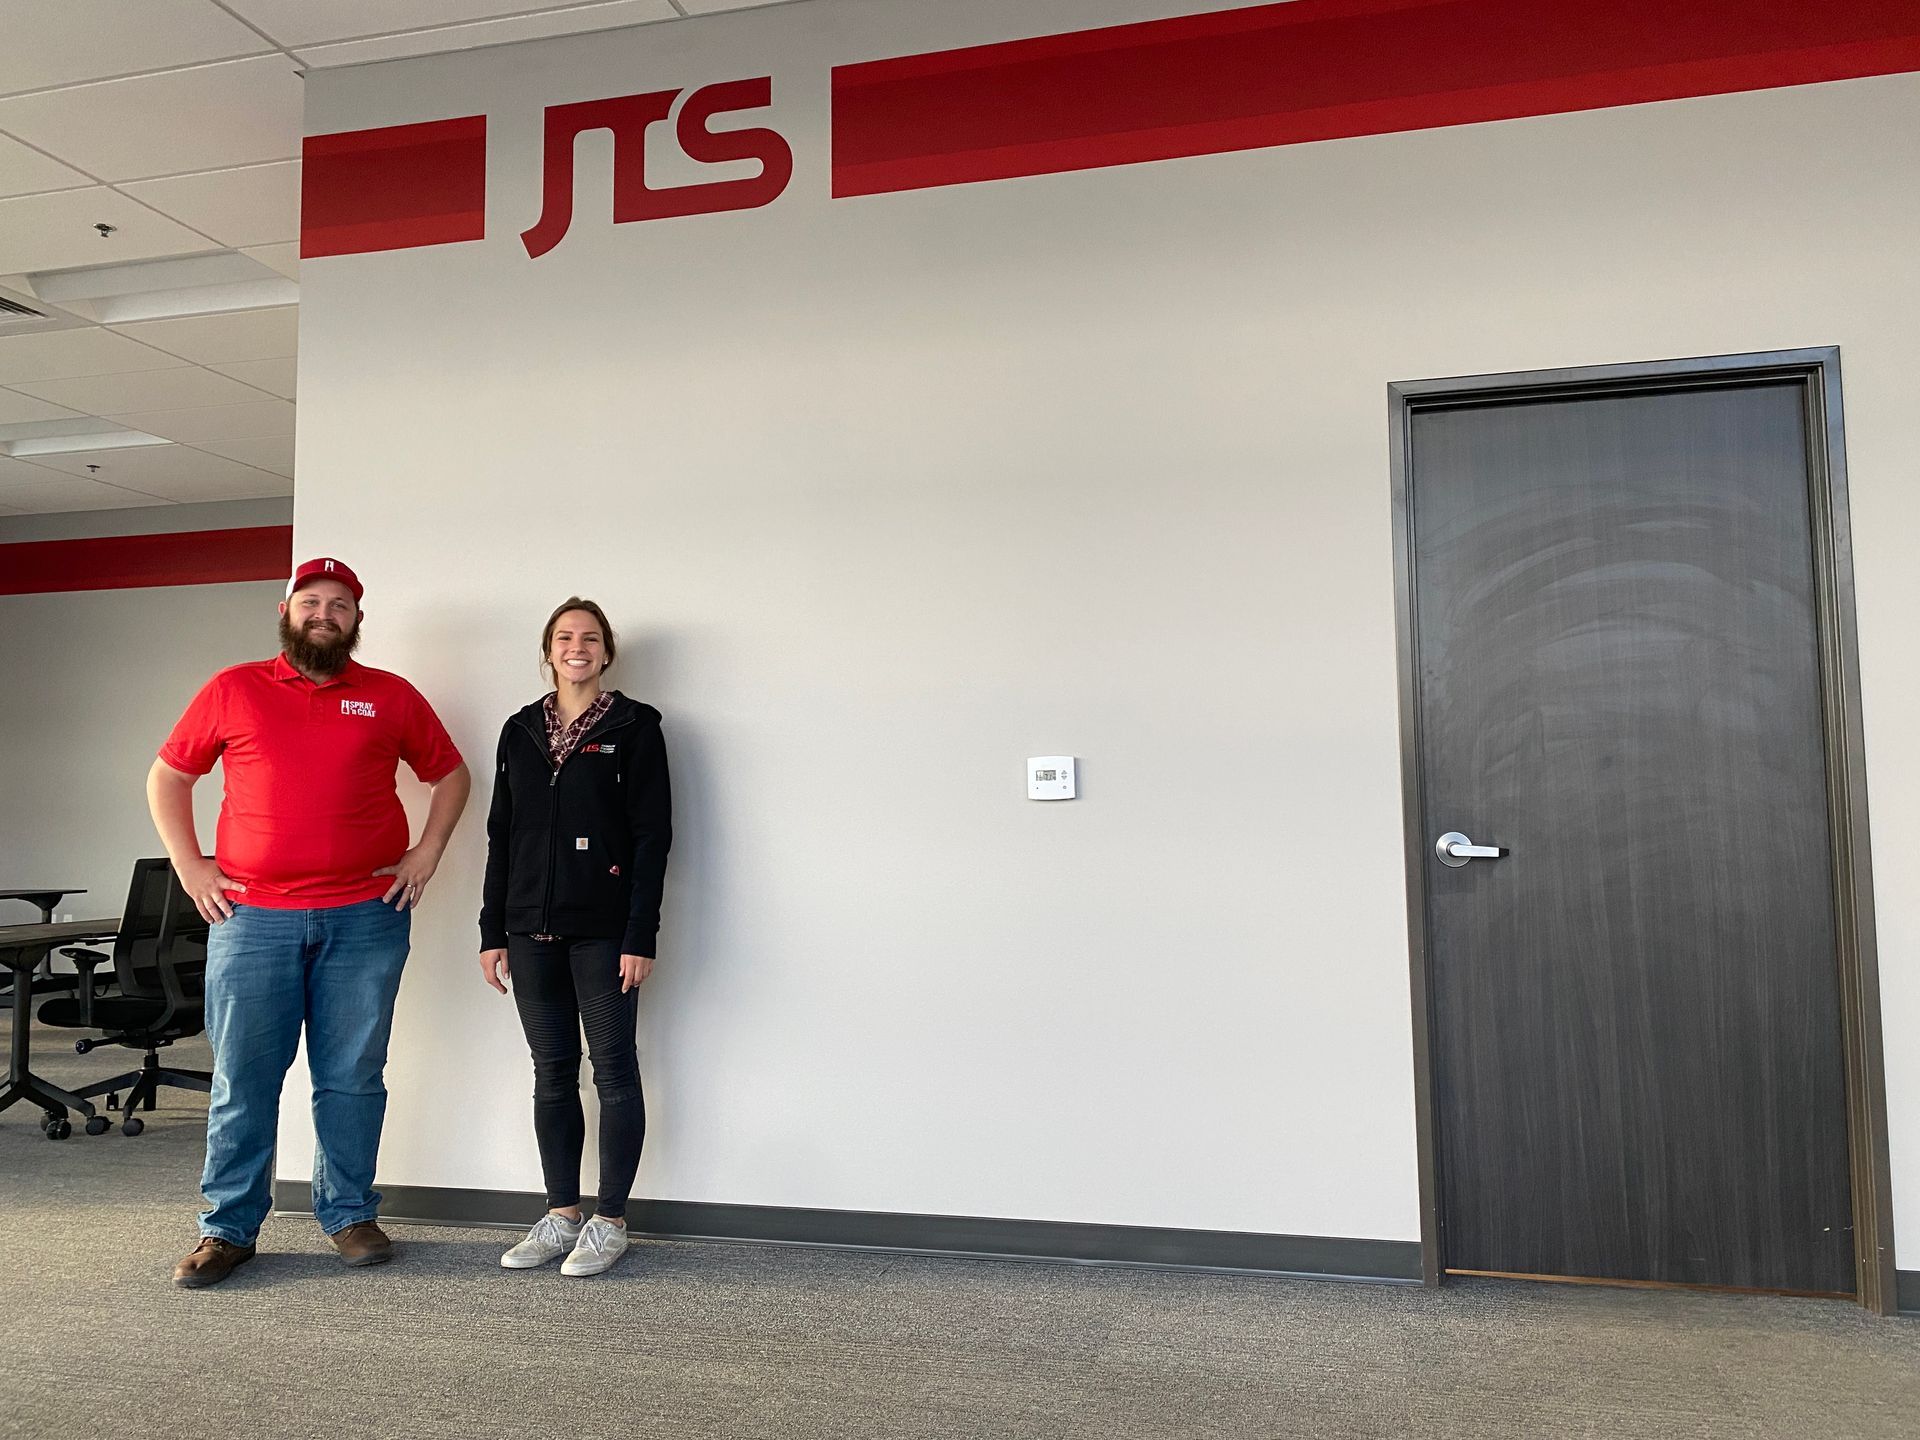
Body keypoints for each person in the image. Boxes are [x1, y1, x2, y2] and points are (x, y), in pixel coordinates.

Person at [149, 557, 470, 1289]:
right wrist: (191, 865)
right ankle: (227, 1229)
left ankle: (349, 1212)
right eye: (311, 602)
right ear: (286, 610)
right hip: (252, 915)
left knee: (353, 1074)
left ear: (357, 620)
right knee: (244, 1078)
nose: (324, 614)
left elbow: (450, 773)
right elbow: (169, 775)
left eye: (339, 605)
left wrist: (427, 851)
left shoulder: (389, 697)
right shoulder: (234, 688)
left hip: (365, 917)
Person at [479, 597, 671, 1277]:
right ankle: (562, 1214)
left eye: (590, 637)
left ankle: (610, 1219)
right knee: (553, 1073)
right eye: (565, 637)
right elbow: (503, 833)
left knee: (614, 1070)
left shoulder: (635, 727)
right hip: (530, 930)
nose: (577, 647)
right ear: (549, 649)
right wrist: (491, 929)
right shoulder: (519, 729)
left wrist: (639, 934)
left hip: (605, 932)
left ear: (606, 651)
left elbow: (653, 838)